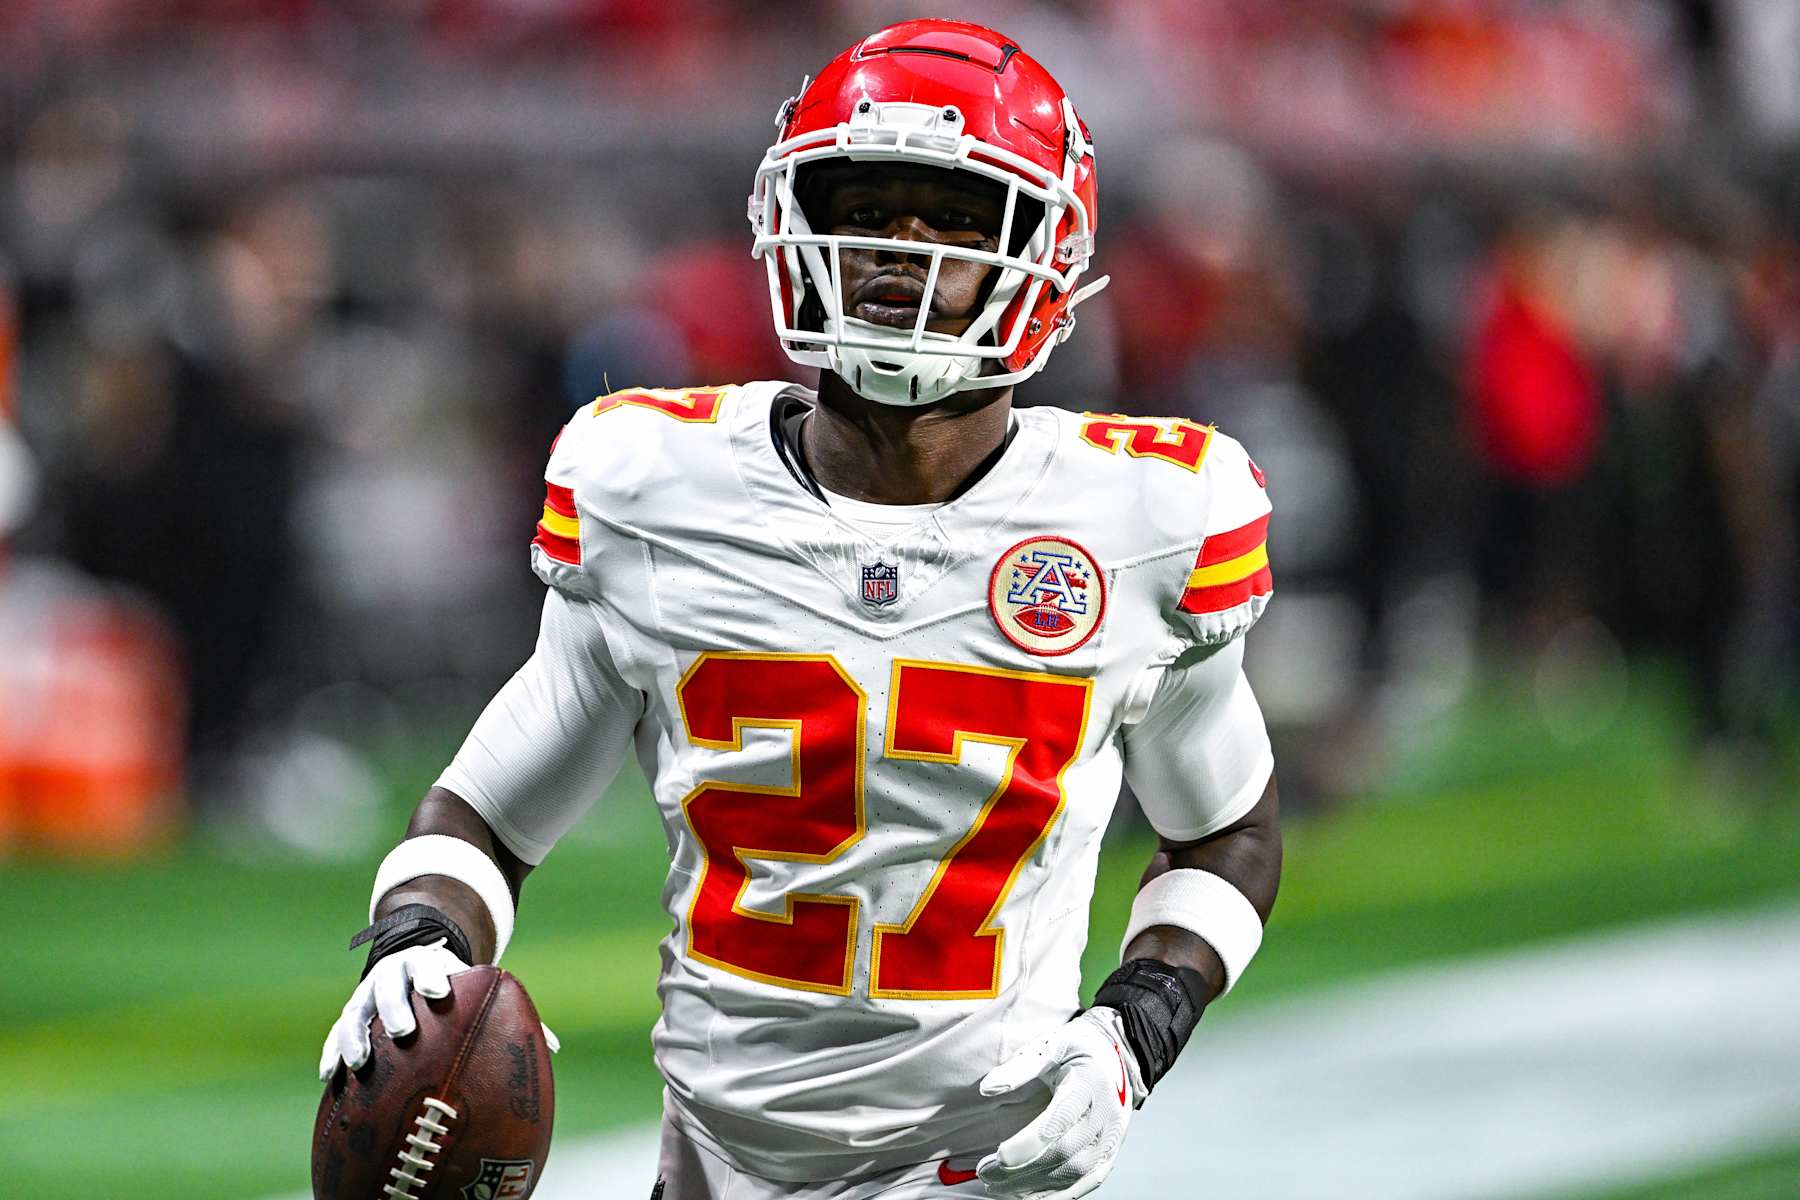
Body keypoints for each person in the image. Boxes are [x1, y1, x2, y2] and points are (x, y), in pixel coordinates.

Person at [319, 20, 1281, 1200]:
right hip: (715, 1170)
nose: (900, 247)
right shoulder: (655, 489)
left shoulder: (1140, 517)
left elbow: (1228, 828)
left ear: (1046, 250)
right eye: (864, 203)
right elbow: (485, 816)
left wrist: (1136, 1030)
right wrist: (419, 942)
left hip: (987, 1172)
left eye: (957, 217)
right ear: (790, 219)